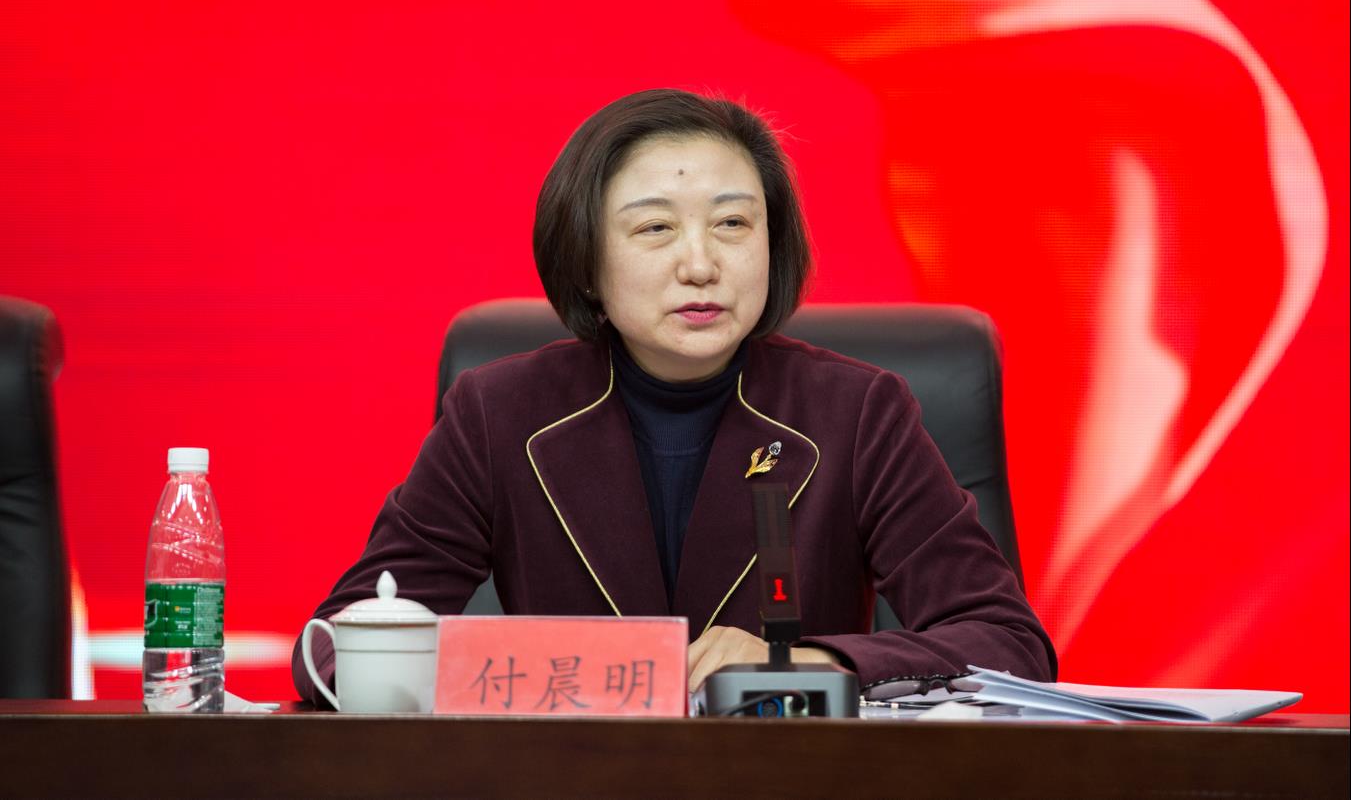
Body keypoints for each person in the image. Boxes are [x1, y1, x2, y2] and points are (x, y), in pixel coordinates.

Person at [291, 88, 1055, 705]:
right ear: (585, 262)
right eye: (655, 229)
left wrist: (816, 660)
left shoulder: (856, 413)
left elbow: (1006, 642)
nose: (700, 264)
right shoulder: (499, 412)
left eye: (732, 224)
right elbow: (333, 647)